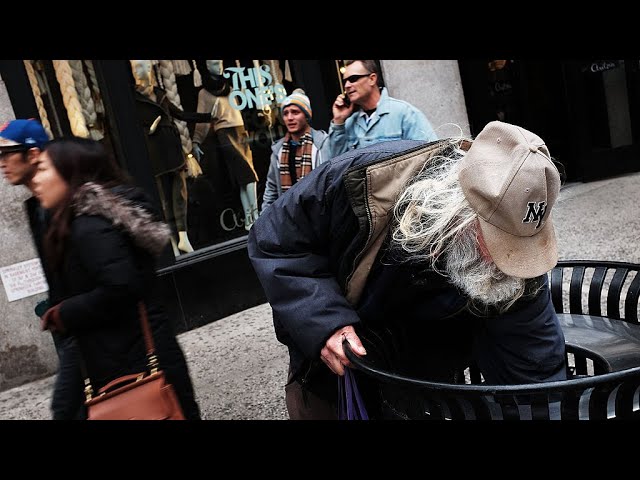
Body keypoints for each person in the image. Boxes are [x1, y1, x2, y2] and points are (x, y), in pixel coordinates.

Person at [247, 120, 567, 420]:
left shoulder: (515, 251)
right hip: (342, 362)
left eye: (519, 246)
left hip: (428, 371)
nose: (507, 263)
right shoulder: (362, 178)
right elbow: (274, 240)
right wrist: (324, 321)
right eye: (499, 244)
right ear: (458, 215)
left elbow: (535, 360)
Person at [34, 136, 201, 419]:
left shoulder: (89, 226)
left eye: (43, 169)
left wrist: (65, 313)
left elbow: (121, 286)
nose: (37, 179)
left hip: (129, 356)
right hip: (134, 350)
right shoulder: (93, 219)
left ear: (71, 171)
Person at [0, 118, 86, 420]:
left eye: (7, 154)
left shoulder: (68, 203)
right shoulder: (35, 207)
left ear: (33, 153)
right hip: (70, 327)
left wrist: (67, 311)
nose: (2, 163)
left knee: (66, 408)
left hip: (89, 326)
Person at [130, 60, 209, 255]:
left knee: (180, 192)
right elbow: (130, 127)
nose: (141, 70)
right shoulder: (133, 99)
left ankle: (183, 236)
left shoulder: (160, 94)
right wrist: (149, 130)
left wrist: (207, 116)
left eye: (144, 66)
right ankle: (171, 241)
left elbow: (179, 114)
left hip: (172, 149)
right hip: (155, 152)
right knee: (163, 199)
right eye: (137, 67)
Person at [192, 60, 260, 231]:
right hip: (225, 134)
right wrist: (196, 141)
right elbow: (201, 120)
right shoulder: (204, 93)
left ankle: (250, 219)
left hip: (241, 131)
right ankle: (256, 216)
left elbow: (240, 108)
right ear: (207, 66)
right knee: (248, 175)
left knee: (243, 178)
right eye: (215, 63)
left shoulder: (229, 86)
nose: (220, 66)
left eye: (220, 63)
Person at [328, 60, 439, 159]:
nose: (347, 85)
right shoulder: (349, 123)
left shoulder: (404, 113)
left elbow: (431, 155)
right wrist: (338, 121)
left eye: (353, 79)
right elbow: (335, 165)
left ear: (372, 79)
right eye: (345, 81)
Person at [261, 88, 331, 214]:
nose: (290, 118)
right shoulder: (279, 150)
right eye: (285, 113)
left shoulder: (322, 143)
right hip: (291, 217)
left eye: (295, 112)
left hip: (320, 214)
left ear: (306, 115)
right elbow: (271, 190)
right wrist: (264, 219)